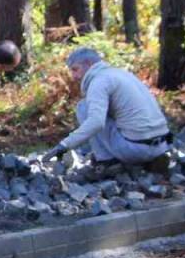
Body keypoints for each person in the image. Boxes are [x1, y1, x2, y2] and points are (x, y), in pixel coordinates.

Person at [44, 48, 172, 171]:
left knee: (84, 107)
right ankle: (152, 160)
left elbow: (96, 122)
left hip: (135, 150)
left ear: (88, 63)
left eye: (75, 69)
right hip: (162, 145)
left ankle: (106, 162)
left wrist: (64, 145)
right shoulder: (122, 74)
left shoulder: (99, 81)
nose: (74, 76)